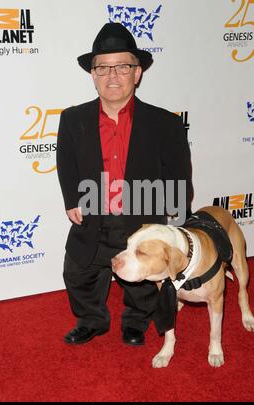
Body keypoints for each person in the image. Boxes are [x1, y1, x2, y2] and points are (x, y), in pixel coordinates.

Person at [56, 22, 193, 346]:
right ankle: (92, 319)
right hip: (93, 214)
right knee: (77, 274)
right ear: (92, 74)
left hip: (142, 218)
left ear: (138, 72)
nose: (112, 76)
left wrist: (175, 220)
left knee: (144, 283)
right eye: (102, 67)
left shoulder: (166, 123)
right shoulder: (72, 119)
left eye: (122, 66)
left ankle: (135, 322)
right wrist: (72, 199)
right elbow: (66, 162)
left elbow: (178, 173)